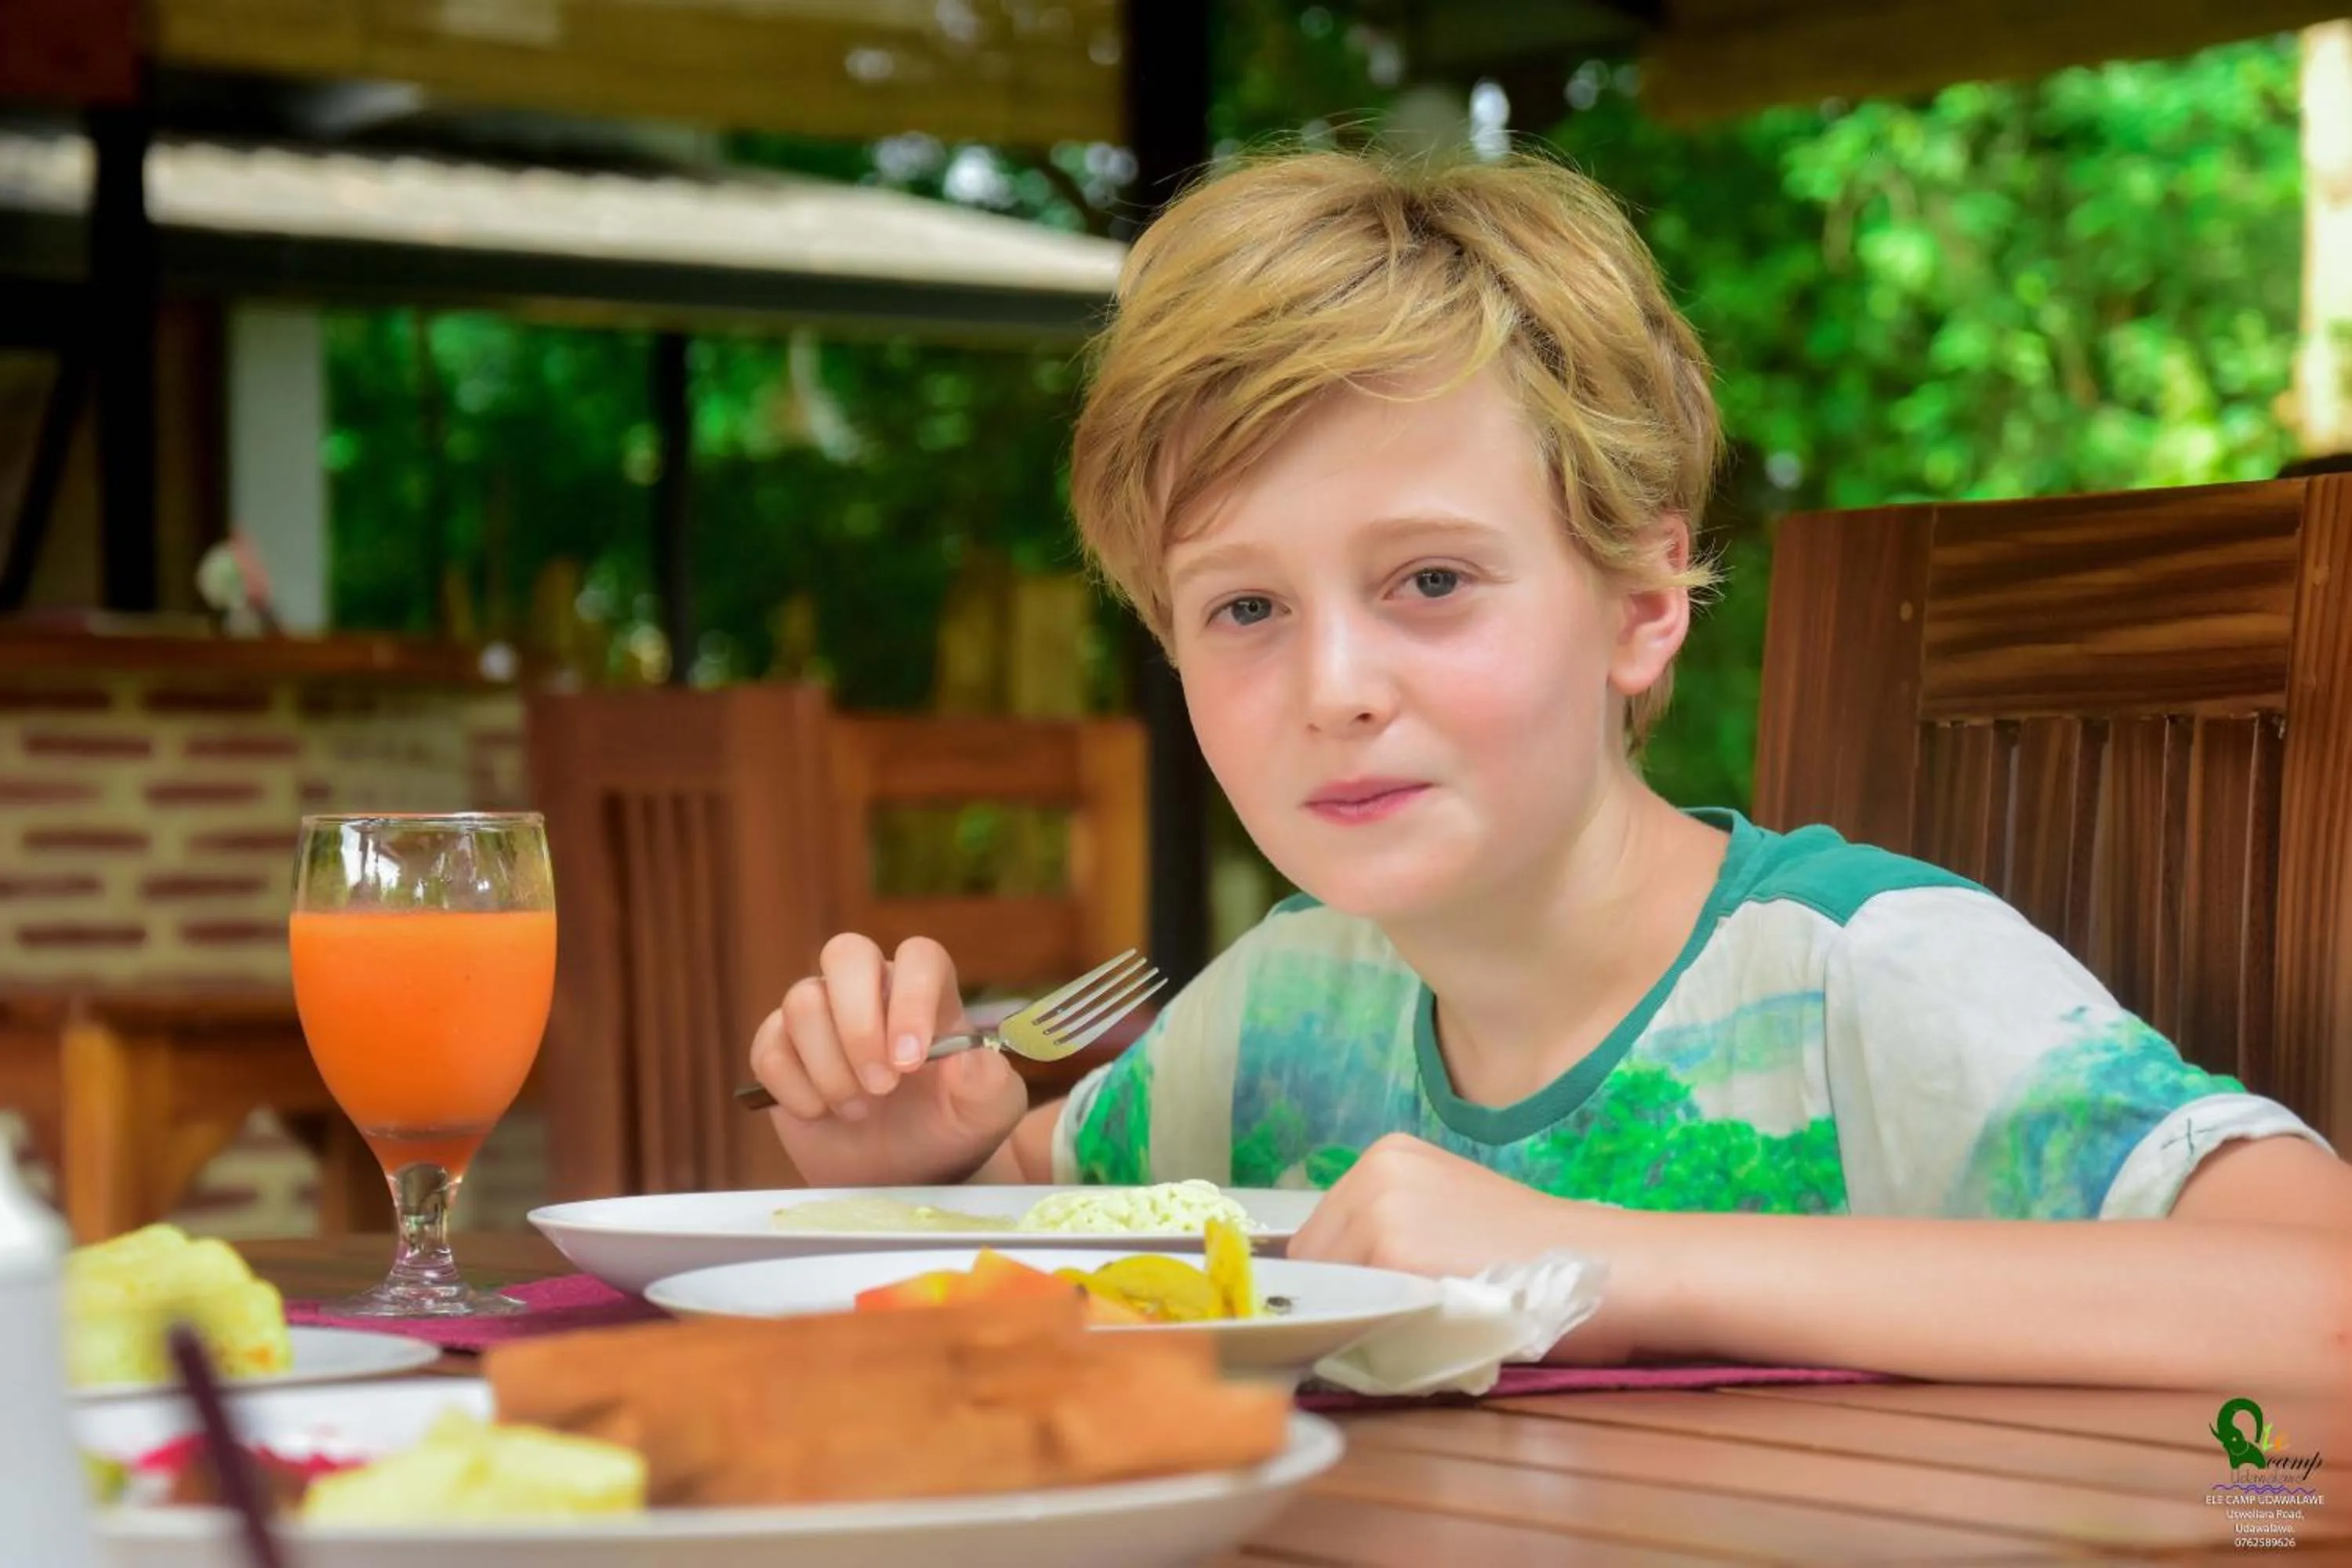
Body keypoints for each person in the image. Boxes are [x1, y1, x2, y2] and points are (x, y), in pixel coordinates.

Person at [747, 147, 2352, 1389]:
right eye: (1243, 606)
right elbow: (1023, 1225)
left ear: (1645, 605)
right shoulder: (1280, 1015)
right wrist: (921, 1162)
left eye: (1431, 581)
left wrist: (1602, 1260)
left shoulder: (1864, 980)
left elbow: (2325, 1299)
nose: (1334, 689)